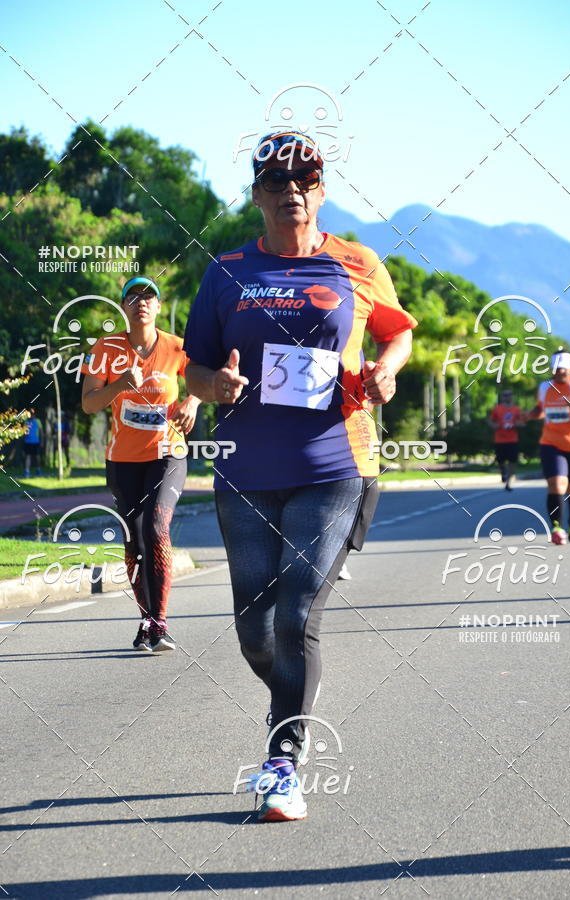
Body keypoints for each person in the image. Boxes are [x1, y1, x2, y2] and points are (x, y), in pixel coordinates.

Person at [184, 130, 417, 821]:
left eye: (306, 180)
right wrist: (213, 385)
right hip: (244, 468)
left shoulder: (356, 262)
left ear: (321, 190)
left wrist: (386, 370)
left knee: (296, 615)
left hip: (334, 463)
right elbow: (191, 366)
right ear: (257, 194)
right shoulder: (225, 271)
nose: (293, 191)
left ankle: (283, 762)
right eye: (277, 182)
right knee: (256, 630)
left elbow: (396, 330)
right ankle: (292, 692)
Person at [81, 277, 199, 650]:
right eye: (133, 297)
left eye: (149, 297)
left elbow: (201, 380)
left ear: (159, 307)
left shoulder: (178, 347)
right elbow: (89, 403)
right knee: (133, 538)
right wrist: (119, 386)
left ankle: (159, 622)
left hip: (168, 452)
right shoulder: (105, 348)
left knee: (155, 528)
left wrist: (192, 402)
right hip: (123, 459)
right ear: (124, 308)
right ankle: (146, 622)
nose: (141, 302)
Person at [525, 350, 570, 545]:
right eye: (557, 370)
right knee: (556, 484)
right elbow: (540, 409)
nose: (560, 374)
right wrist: (528, 415)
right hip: (550, 443)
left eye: (564, 371)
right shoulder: (545, 387)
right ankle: (557, 528)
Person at [488, 388, 523, 490]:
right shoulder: (497, 409)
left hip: (512, 440)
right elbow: (491, 421)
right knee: (500, 461)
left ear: (512, 396)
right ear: (502, 397)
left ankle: (508, 482)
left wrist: (516, 424)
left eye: (509, 394)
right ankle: (503, 472)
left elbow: (522, 422)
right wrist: (495, 425)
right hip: (500, 439)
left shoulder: (516, 409)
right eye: (505, 395)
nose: (507, 397)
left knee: (512, 461)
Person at [23, 409, 43, 477]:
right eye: (30, 414)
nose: (31, 415)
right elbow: (24, 432)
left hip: (36, 442)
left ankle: (38, 469)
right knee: (27, 456)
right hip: (27, 442)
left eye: (32, 414)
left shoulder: (38, 421)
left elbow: (41, 432)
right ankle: (27, 471)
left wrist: (42, 441)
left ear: (34, 414)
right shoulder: (26, 421)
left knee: (37, 457)